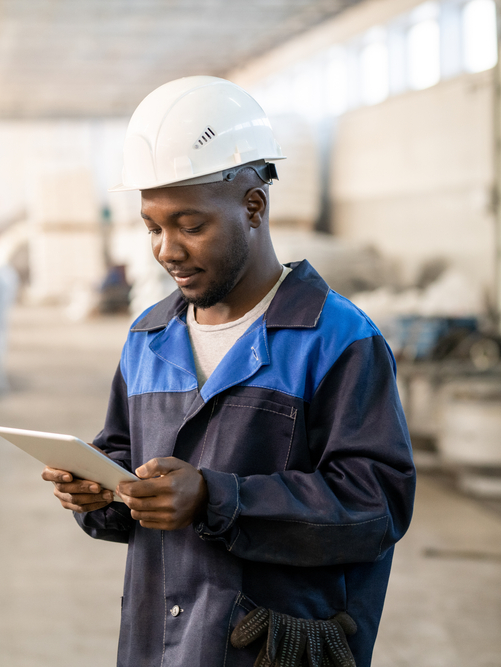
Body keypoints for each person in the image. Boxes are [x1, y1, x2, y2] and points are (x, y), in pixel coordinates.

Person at [42, 77, 416, 667]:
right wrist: (99, 491)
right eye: (153, 227)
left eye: (190, 225)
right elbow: (123, 466)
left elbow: (377, 507)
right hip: (160, 646)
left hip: (272, 647)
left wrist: (219, 497)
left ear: (253, 207)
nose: (167, 249)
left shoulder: (337, 339)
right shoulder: (148, 337)